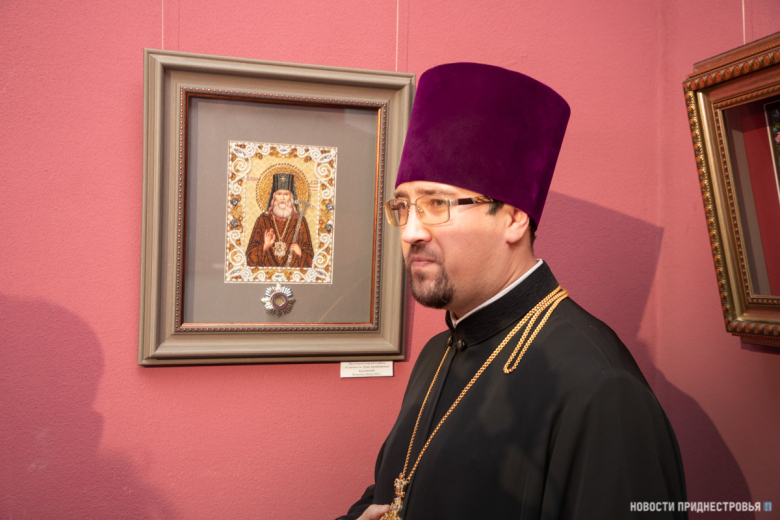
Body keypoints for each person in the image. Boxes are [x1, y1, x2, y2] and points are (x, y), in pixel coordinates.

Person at [338, 63, 687, 520]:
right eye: (403, 207)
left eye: (436, 204)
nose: (410, 232)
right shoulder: (437, 352)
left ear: (514, 218)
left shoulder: (601, 388)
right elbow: (397, 489)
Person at [245, 172, 314, 269]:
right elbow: (249, 259)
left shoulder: (299, 221)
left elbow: (312, 261)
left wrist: (300, 252)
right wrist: (265, 246)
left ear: (291, 197)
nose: (282, 198)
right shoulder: (263, 220)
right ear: (273, 197)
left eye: (286, 194)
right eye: (279, 194)